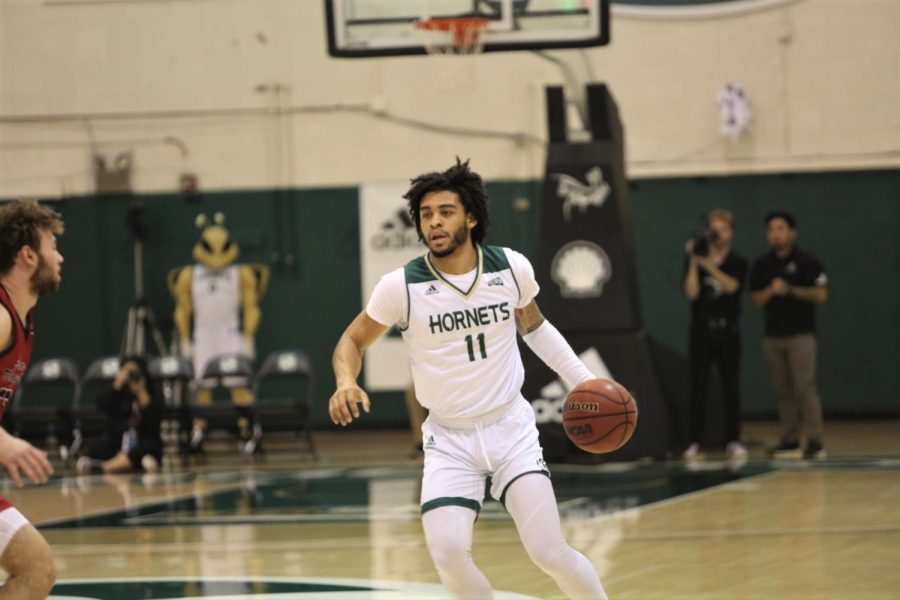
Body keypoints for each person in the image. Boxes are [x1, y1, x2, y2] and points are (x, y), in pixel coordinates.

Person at [329, 159, 607, 599]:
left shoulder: (509, 268)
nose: (435, 222)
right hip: (448, 439)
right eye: (426, 215)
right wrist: (346, 381)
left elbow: (534, 326)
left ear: (471, 217)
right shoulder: (401, 286)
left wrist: (585, 381)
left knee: (549, 553)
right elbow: (352, 340)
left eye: (446, 211)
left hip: (510, 429)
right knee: (448, 553)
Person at [0, 199, 63, 598]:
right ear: (27, 256)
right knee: (36, 566)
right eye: (51, 245)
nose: (59, 255)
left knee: (36, 568)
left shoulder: (21, 320)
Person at [750, 211, 828, 459]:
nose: (775, 233)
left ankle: (815, 440)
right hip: (773, 336)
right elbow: (755, 298)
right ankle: (790, 439)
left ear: (791, 232)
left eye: (780, 228)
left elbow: (821, 294)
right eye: (771, 229)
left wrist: (791, 289)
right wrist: (771, 292)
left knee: (804, 387)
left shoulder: (808, 261)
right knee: (783, 390)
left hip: (801, 336)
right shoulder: (762, 265)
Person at [682, 209, 748, 461]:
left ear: (730, 232)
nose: (718, 234)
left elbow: (732, 287)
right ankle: (694, 441)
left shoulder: (737, 262)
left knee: (730, 385)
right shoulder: (698, 259)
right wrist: (693, 261)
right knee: (698, 386)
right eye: (714, 229)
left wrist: (709, 265)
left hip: (728, 331)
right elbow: (691, 293)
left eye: (723, 229)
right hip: (701, 330)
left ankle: (733, 439)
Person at [76, 356, 164, 474]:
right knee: (96, 448)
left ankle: (104, 467)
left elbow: (154, 418)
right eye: (126, 371)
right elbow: (102, 405)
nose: (130, 375)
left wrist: (141, 392)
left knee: (147, 448)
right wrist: (117, 384)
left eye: (134, 371)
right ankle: (128, 463)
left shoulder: (152, 391)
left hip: (143, 441)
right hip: (119, 442)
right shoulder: (118, 391)